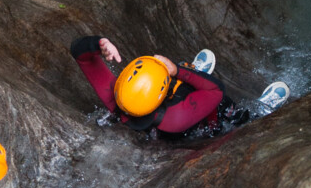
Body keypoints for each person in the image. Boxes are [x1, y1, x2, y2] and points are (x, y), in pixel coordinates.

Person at [70, 35, 289, 138]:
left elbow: (80, 54)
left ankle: (189, 71)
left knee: (179, 75)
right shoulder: (176, 118)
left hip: (160, 122)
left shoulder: (119, 101)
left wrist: (101, 44)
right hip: (199, 125)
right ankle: (253, 116)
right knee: (221, 108)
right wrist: (176, 71)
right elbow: (215, 90)